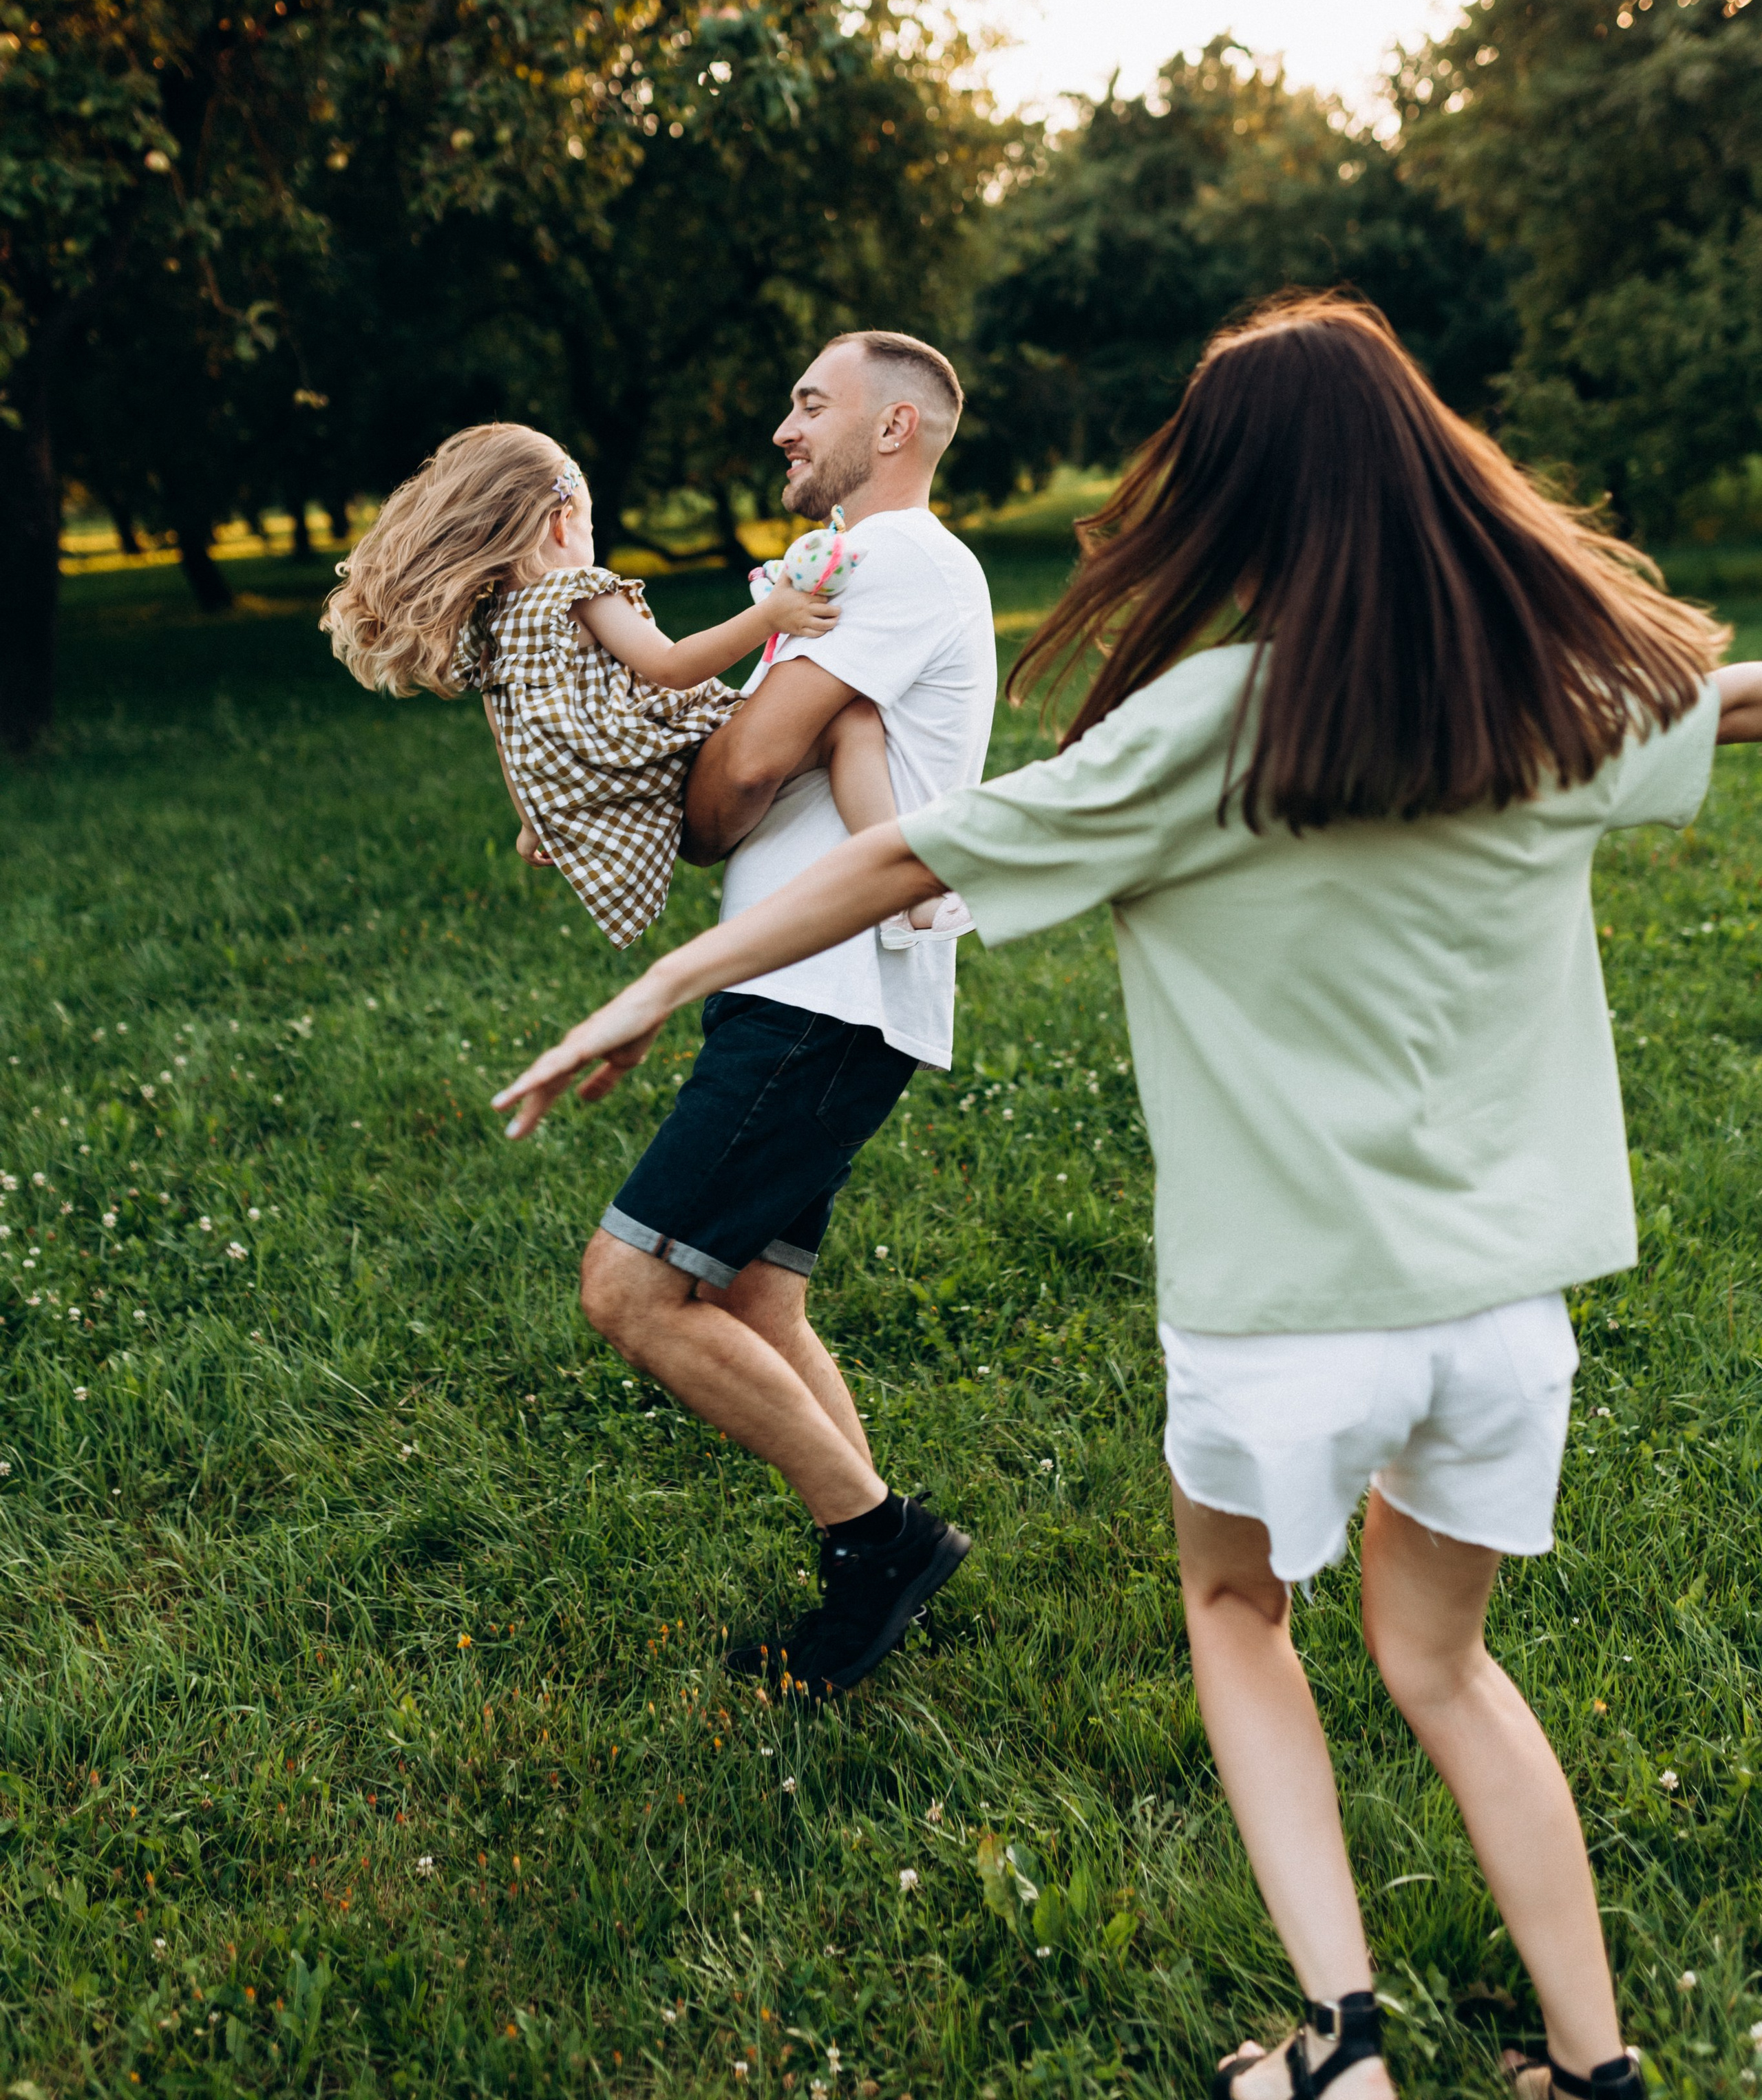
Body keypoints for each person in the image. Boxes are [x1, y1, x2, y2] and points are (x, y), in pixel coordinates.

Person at [493, 297, 1762, 2096]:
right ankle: (1595, 2066)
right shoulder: (1537, 708)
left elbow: (896, 860)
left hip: (1280, 1325)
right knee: (1449, 1670)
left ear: (1227, 500)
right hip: (1502, 1325)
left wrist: (651, 992)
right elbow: (1733, 699)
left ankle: (1341, 2054)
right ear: (1427, 467)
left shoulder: (1201, 730)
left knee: (1243, 1619)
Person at [538, 331, 995, 1698]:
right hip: (818, 987)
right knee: (752, 1296)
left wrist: (711, 792)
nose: (785, 428)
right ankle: (872, 1577)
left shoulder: (896, 557)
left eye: (812, 403)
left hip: (823, 989)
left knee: (630, 1288)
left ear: (897, 428)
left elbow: (734, 776)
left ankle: (881, 1539)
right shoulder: (848, 577)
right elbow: (737, 761)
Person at [320, 421, 931, 949]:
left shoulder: (493, 623)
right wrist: (769, 616)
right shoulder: (580, 593)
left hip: (612, 785)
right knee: (852, 719)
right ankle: (903, 884)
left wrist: (535, 818)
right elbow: (671, 666)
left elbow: (506, 729)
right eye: (586, 523)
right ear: (562, 525)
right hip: (666, 756)